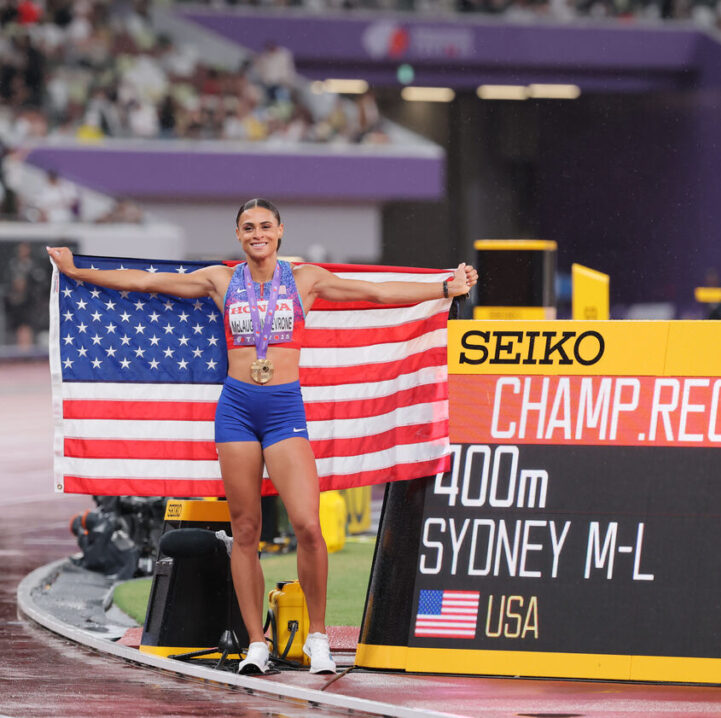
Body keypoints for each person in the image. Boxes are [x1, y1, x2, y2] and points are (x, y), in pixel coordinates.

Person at [46, 198, 478, 675]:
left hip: (283, 411)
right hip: (235, 410)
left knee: (307, 526)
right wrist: (78, 272)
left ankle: (317, 638)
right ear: (238, 235)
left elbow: (372, 291)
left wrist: (441, 287)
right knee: (246, 528)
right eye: (248, 227)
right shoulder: (221, 280)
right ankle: (257, 642)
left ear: (279, 231)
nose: (257, 234)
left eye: (265, 226)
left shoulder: (305, 280)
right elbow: (147, 282)